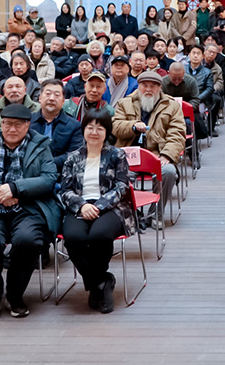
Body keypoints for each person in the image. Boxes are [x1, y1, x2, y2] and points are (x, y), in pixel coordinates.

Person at [0, 103, 59, 322]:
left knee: (28, 240)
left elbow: (49, 178)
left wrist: (16, 188)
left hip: (28, 207)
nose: (11, 129)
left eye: (17, 125)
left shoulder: (40, 146)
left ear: (27, 126)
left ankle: (15, 294)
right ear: (1, 124)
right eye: (7, 124)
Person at [57, 109, 137, 314]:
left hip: (111, 207)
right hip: (79, 206)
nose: (94, 132)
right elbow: (65, 190)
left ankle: (95, 287)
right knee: (73, 238)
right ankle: (102, 282)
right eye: (90, 127)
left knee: (99, 235)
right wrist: (82, 205)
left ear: (107, 132)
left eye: (99, 128)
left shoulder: (117, 155)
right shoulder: (73, 157)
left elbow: (122, 186)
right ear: (83, 130)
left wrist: (99, 205)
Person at [112, 71, 185, 225]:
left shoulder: (171, 106)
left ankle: (156, 213)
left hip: (157, 154)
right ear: (139, 86)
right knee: (115, 175)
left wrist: (167, 155)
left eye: (153, 86)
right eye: (145, 85)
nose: (148, 89)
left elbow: (177, 134)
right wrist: (132, 126)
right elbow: (115, 127)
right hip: (129, 154)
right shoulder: (125, 103)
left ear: (160, 88)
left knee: (168, 172)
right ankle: (131, 213)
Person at [29, 79, 85, 170]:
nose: (51, 98)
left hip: (60, 173)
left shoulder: (75, 126)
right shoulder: (28, 121)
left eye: (57, 95)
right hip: (29, 172)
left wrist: (46, 163)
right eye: (48, 94)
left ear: (63, 101)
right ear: (40, 98)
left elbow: (75, 155)